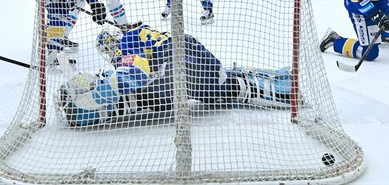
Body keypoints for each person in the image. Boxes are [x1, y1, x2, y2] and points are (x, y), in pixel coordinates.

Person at [58, 24, 293, 127]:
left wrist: (96, 96)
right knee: (227, 83)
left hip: (186, 69)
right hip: (195, 57)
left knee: (141, 94)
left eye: (108, 49)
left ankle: (287, 91)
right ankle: (278, 79)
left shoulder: (125, 47)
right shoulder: (138, 34)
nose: (110, 54)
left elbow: (135, 74)